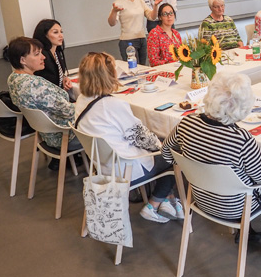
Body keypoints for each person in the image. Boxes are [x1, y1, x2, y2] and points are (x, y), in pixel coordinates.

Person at [161, 72, 261, 262]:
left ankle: (247, 234)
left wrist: (191, 165)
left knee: (239, 175)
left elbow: (167, 153)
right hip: (236, 208)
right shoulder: (242, 140)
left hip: (201, 200)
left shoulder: (186, 124)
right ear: (243, 107)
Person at [74, 52, 181, 224]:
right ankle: (154, 204)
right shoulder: (112, 105)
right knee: (173, 153)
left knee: (161, 149)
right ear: (109, 75)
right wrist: (160, 143)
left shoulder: (81, 99)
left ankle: (166, 199)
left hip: (103, 164)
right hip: (127, 168)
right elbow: (142, 138)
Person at [6, 36, 80, 171]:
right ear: (23, 60)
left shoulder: (13, 79)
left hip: (47, 133)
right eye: (37, 54)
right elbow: (69, 111)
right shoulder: (34, 85)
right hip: (65, 136)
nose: (43, 57)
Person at [108, 0, 160, 65]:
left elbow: (152, 17)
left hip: (142, 39)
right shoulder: (118, 3)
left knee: (143, 68)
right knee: (133, 69)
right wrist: (114, 11)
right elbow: (111, 23)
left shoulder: (139, 0)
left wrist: (155, 6)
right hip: (127, 42)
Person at [32, 19, 73, 92]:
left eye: (61, 32)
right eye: (55, 32)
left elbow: (57, 75)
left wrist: (64, 78)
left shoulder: (57, 52)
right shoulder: (41, 56)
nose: (61, 35)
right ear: (44, 35)